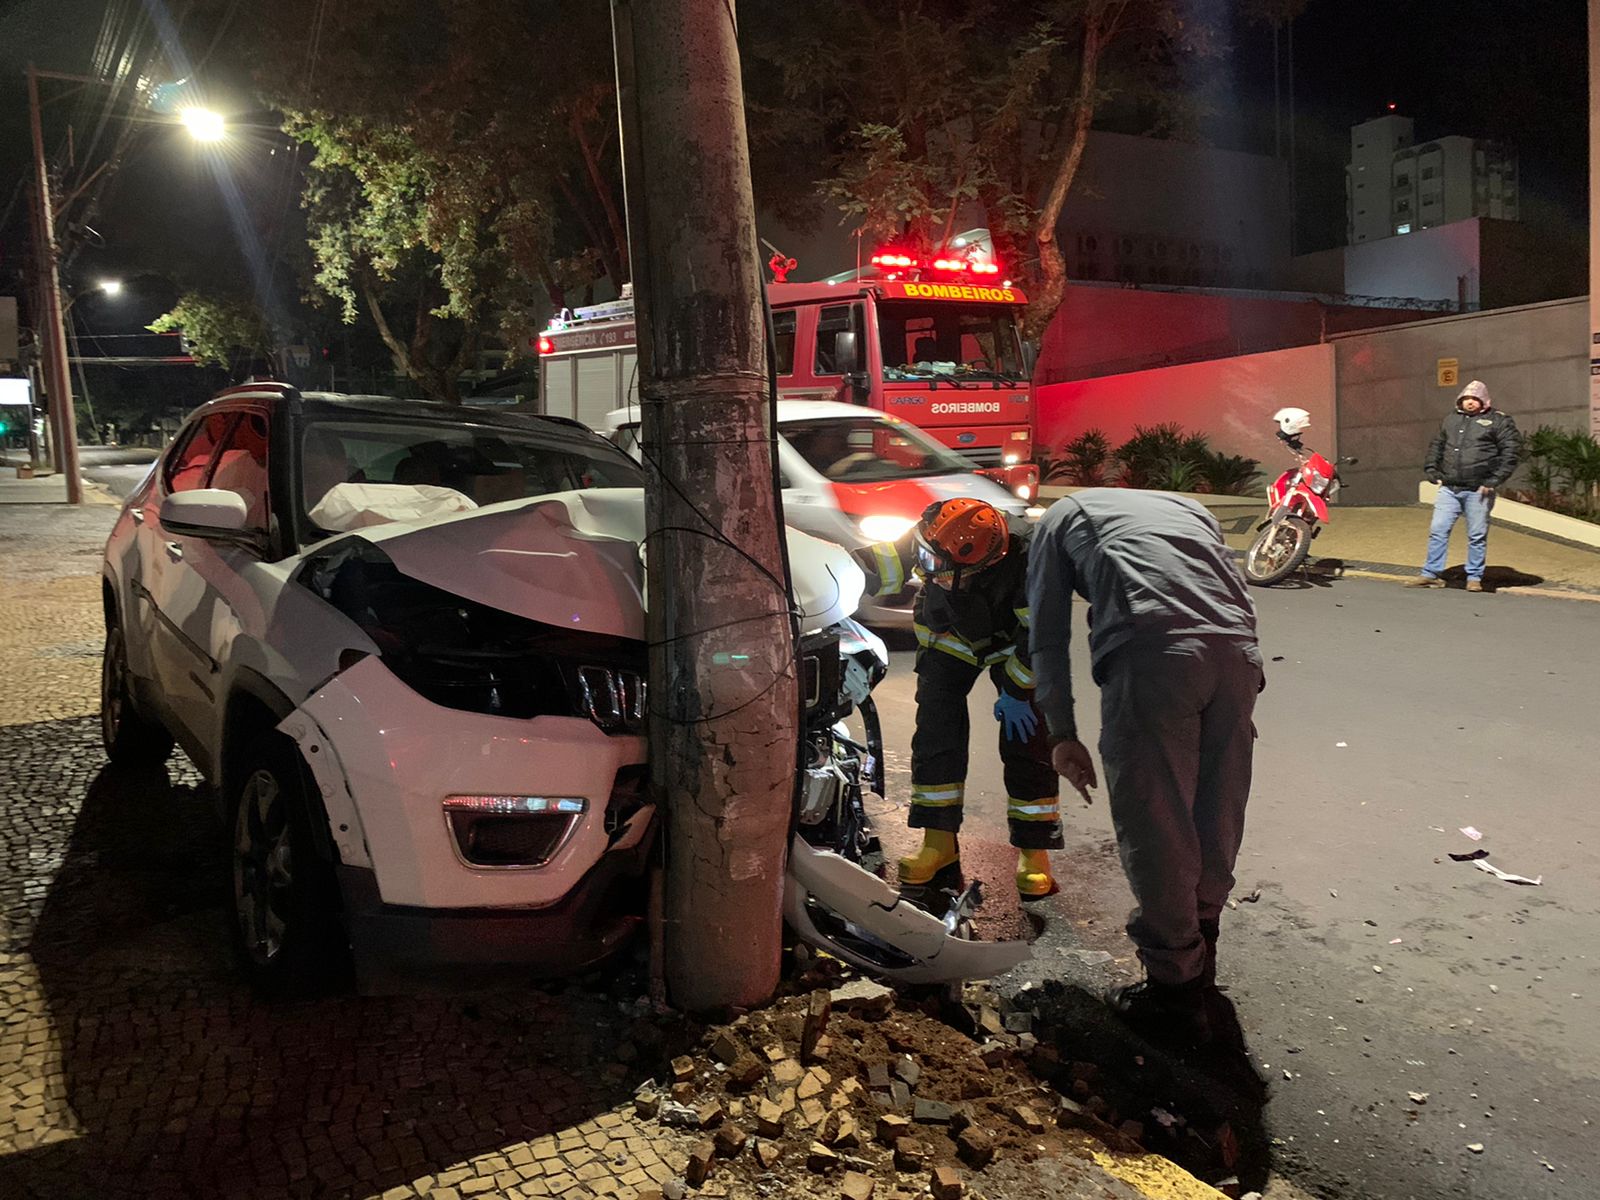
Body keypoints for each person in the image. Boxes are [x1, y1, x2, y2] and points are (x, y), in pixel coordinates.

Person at [1026, 488, 1262, 1043]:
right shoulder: (1189, 509)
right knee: (1218, 807)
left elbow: (1047, 633)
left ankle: (1174, 992)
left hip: (1153, 656)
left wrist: (1061, 731)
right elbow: (1228, 588)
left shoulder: (1058, 519)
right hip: (1237, 651)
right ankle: (1204, 953)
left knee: (1156, 818)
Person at [854, 498, 1063, 898]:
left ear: (982, 565)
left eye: (938, 569)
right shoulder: (937, 535)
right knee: (935, 736)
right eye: (927, 560)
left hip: (1010, 645)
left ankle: (1034, 851)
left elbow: (1042, 639)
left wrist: (1018, 691)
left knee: (1029, 739)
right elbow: (872, 566)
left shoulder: (1036, 561)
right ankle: (938, 844)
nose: (928, 573)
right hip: (949, 636)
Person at [1407, 379, 1522, 592]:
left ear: (1484, 400)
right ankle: (1431, 574)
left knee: (1477, 534)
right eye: (1466, 398)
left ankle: (1474, 577)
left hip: (1479, 490)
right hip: (1449, 488)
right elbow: (1437, 445)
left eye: (1475, 399)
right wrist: (1432, 470)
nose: (1470, 402)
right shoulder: (1450, 420)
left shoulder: (1499, 421)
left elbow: (1511, 453)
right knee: (1438, 530)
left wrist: (1493, 480)